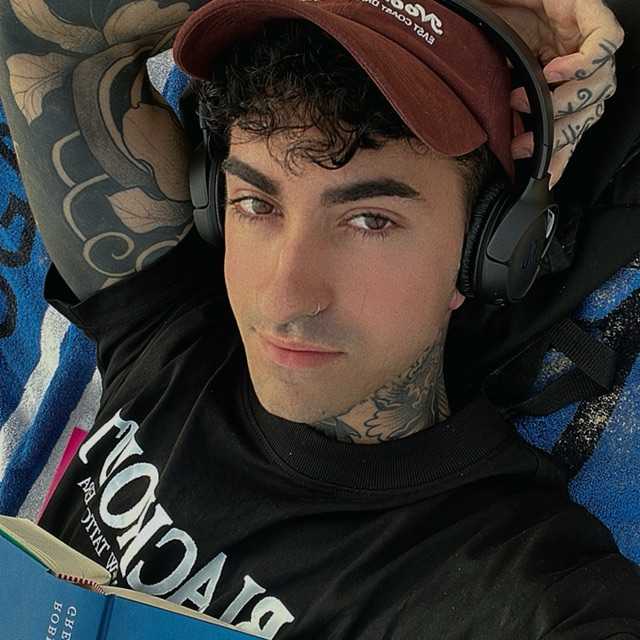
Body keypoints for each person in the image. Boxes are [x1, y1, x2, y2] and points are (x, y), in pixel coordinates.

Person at [0, 0, 638, 638]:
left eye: (370, 220)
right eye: (256, 203)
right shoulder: (176, 327)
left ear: (490, 251)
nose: (286, 297)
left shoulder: (520, 588)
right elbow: (39, 37)